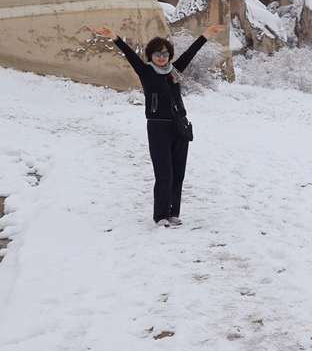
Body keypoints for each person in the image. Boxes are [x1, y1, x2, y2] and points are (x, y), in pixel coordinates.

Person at [91, 24, 223, 227]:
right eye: (157, 53)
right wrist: (114, 37)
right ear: (150, 54)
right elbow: (129, 54)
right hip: (158, 127)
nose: (162, 56)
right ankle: (161, 215)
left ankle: (173, 213)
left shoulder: (175, 71)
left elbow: (191, 52)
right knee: (164, 172)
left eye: (165, 53)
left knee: (178, 172)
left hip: (180, 125)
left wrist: (206, 35)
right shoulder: (145, 71)